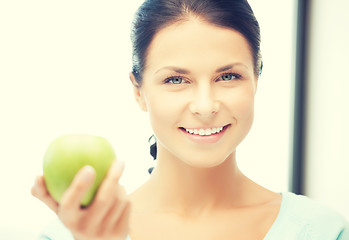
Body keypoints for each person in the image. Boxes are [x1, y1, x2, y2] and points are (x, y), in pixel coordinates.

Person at [31, 0, 349, 239]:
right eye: (175, 80)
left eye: (228, 76)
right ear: (139, 91)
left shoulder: (323, 231)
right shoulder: (69, 235)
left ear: (256, 79)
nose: (205, 105)